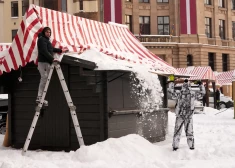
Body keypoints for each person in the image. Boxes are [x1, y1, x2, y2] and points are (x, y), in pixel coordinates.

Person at [168, 79, 205, 151]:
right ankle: (191, 146)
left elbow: (170, 91)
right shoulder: (192, 94)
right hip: (188, 116)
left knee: (177, 132)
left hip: (180, 116)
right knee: (189, 132)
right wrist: (200, 84)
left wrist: (172, 82)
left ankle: (175, 146)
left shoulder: (179, 94)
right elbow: (202, 93)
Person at [36, 27, 67, 105]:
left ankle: (41, 98)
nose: (48, 33)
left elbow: (51, 49)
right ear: (44, 32)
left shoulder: (46, 40)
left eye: (49, 32)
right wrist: (52, 59)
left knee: (46, 79)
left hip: (47, 62)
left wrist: (60, 50)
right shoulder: (41, 39)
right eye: (47, 32)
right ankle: (39, 97)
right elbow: (44, 51)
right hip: (43, 62)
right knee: (44, 78)